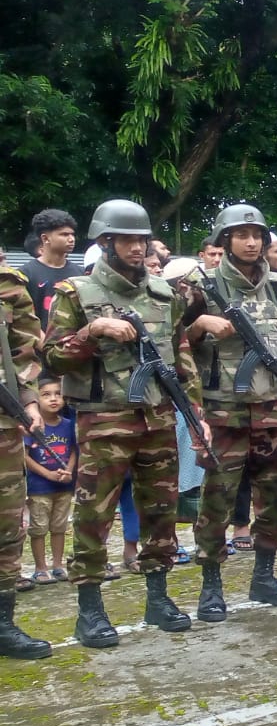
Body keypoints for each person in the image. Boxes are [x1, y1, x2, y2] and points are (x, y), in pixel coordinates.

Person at [44, 199, 203, 647]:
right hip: (104, 421)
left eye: (142, 240)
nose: (137, 248)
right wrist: (91, 333)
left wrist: (195, 413)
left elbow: (181, 356)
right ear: (105, 242)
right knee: (93, 515)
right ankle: (90, 609)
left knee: (161, 510)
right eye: (127, 240)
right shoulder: (76, 293)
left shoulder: (165, 293)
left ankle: (158, 596)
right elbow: (52, 356)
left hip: (158, 417)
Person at [185, 203, 277, 622]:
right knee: (217, 500)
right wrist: (198, 326)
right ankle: (211, 585)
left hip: (272, 410)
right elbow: (168, 344)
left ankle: (264, 576)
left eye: (257, 235)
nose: (251, 242)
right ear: (224, 240)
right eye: (241, 235)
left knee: (274, 497)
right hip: (223, 411)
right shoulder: (200, 285)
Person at [0, 262, 49, 660]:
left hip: (3, 421)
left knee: (6, 525)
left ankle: (2, 623)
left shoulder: (7, 283)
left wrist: (29, 401)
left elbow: (26, 348)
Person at [23, 376, 75, 587]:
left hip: (64, 486)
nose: (53, 399)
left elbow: (74, 450)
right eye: (46, 395)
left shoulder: (69, 425)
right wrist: (47, 474)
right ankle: (40, 568)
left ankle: (58, 565)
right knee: (39, 528)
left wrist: (69, 471)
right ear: (36, 399)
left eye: (58, 394)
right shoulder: (32, 426)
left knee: (59, 527)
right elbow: (25, 456)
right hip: (39, 488)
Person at [22, 208, 77, 326]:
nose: (71, 239)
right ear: (45, 238)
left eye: (72, 234)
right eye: (64, 234)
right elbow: (22, 317)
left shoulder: (80, 274)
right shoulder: (25, 274)